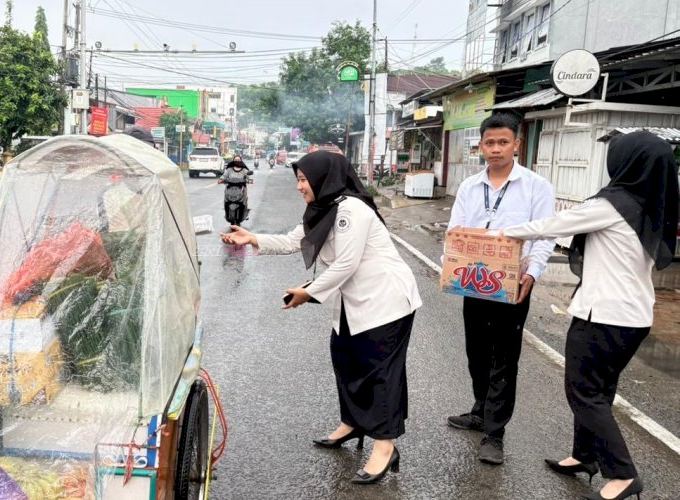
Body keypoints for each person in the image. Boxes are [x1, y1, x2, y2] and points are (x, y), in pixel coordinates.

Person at [220, 151, 422, 485]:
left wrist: (307, 292)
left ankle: (385, 446)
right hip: (354, 301)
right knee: (344, 359)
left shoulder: (352, 209)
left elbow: (346, 263)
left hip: (386, 302)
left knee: (380, 373)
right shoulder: (321, 209)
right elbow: (290, 241)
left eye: (304, 179)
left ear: (324, 178)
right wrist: (252, 237)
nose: (300, 186)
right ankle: (353, 422)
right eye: (298, 179)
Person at [500, 130, 678, 500]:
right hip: (634, 318)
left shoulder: (614, 204)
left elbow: (551, 226)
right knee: (600, 390)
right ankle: (585, 455)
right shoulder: (649, 206)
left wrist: (500, 233)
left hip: (604, 317)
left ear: (628, 163)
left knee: (583, 392)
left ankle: (623, 474)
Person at [445, 112, 556, 465]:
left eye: (503, 142)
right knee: (476, 352)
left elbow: (545, 234)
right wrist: (452, 265)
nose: (496, 149)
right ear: (481, 146)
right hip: (475, 282)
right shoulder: (468, 186)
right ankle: (480, 409)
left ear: (516, 145)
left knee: (504, 358)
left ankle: (495, 433)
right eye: (489, 143)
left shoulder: (536, 186)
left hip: (513, 285)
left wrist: (533, 274)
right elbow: (455, 229)